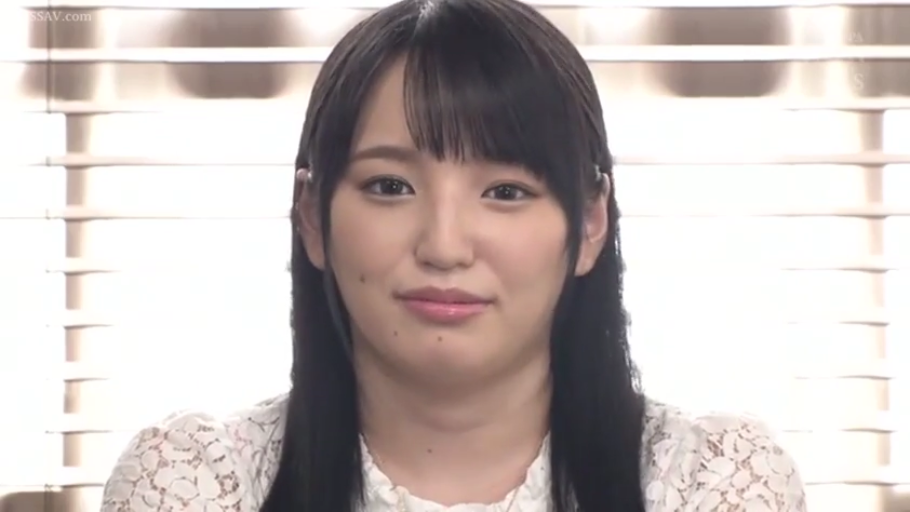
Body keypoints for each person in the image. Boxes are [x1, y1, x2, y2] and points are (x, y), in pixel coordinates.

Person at [100, 0, 807, 511]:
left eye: (505, 191)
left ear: (591, 223)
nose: (443, 246)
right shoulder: (196, 485)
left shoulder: (712, 485)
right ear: (312, 217)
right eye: (389, 186)